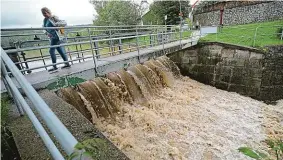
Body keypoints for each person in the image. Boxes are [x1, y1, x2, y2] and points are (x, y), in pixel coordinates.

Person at [41, 7, 70, 72]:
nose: (44, 15)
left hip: (56, 37)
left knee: (51, 51)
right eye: (43, 14)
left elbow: (64, 23)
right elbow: (43, 28)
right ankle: (67, 63)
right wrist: (46, 33)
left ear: (48, 12)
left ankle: (54, 66)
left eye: (45, 13)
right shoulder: (45, 20)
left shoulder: (53, 17)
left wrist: (56, 25)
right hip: (51, 37)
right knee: (60, 50)